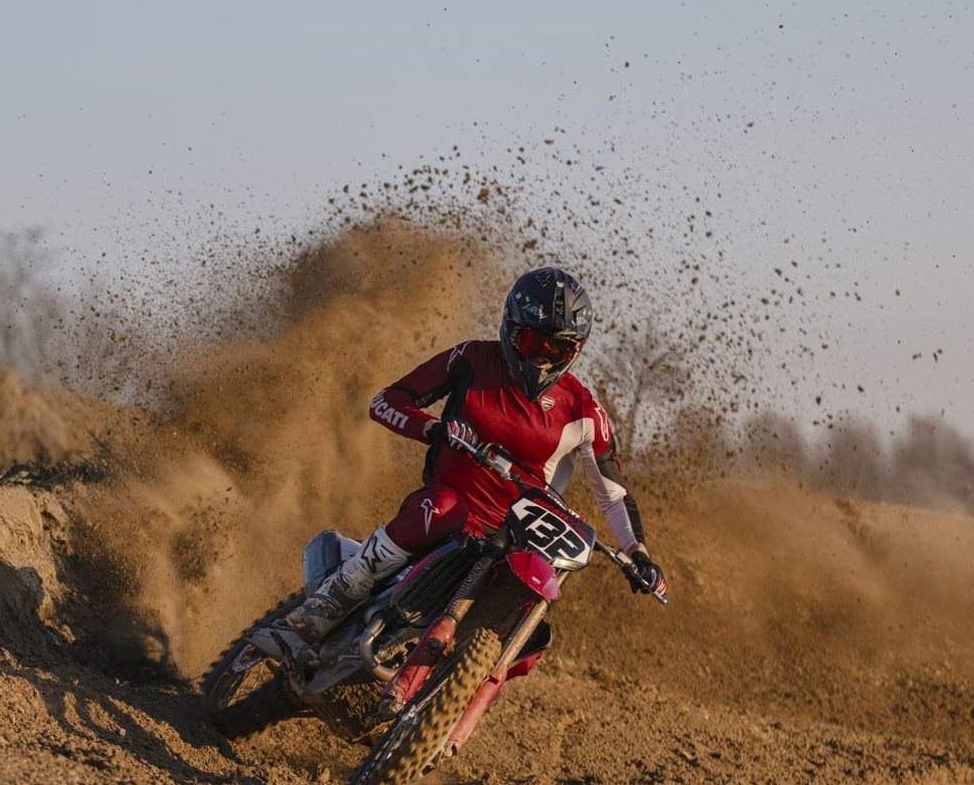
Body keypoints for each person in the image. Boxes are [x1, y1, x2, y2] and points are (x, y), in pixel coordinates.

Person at [252, 266, 666, 660]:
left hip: (516, 542)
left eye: (556, 349)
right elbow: (385, 402)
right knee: (443, 508)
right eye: (531, 343)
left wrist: (638, 553)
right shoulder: (472, 359)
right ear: (510, 330)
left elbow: (613, 495)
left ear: (575, 350)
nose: (541, 358)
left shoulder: (584, 410)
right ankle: (338, 593)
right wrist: (432, 429)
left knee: (532, 633)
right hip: (445, 514)